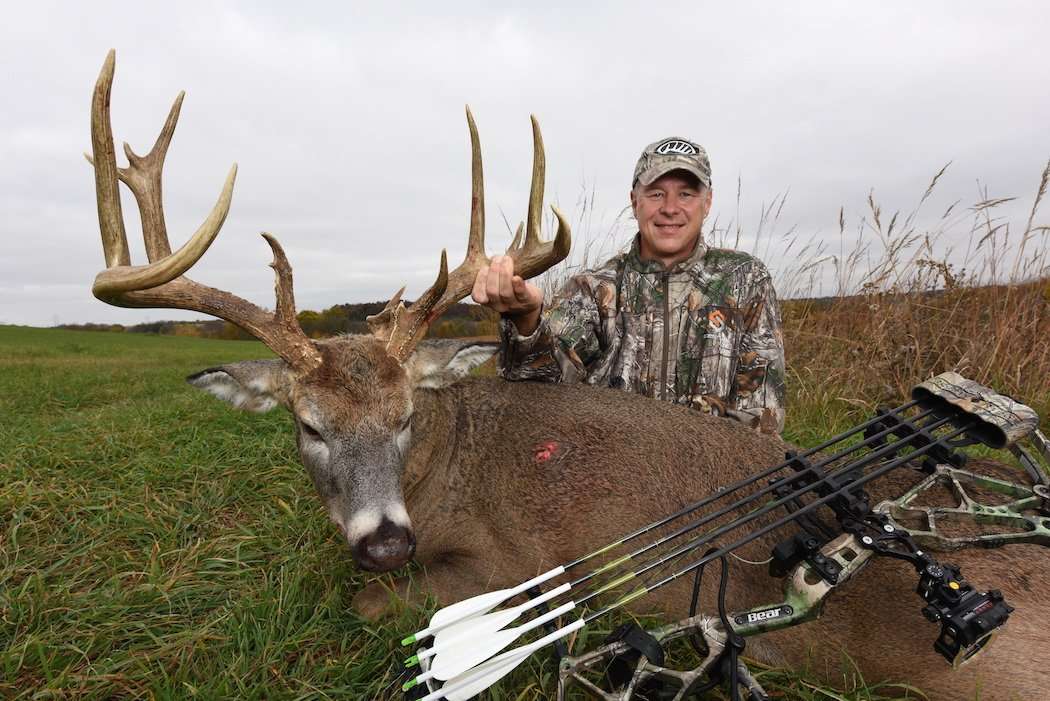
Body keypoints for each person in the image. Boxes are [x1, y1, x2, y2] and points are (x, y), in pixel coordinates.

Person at [471, 137, 786, 434]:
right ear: (635, 202)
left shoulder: (745, 280)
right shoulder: (592, 290)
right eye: (656, 194)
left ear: (707, 203)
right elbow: (541, 386)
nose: (670, 208)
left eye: (686, 194)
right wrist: (526, 322)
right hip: (609, 480)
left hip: (717, 481)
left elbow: (761, 417)